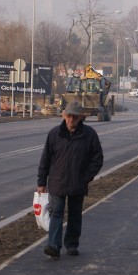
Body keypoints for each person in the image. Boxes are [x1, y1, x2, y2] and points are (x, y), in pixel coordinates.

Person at [37, 100, 104, 259]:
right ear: (63, 115)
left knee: (75, 214)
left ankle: (72, 244)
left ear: (81, 117)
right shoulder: (54, 134)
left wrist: (86, 177)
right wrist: (41, 182)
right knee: (57, 213)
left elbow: (97, 159)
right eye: (68, 116)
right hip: (57, 181)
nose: (71, 120)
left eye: (75, 117)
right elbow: (45, 159)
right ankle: (53, 246)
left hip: (78, 182)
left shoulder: (89, 134)